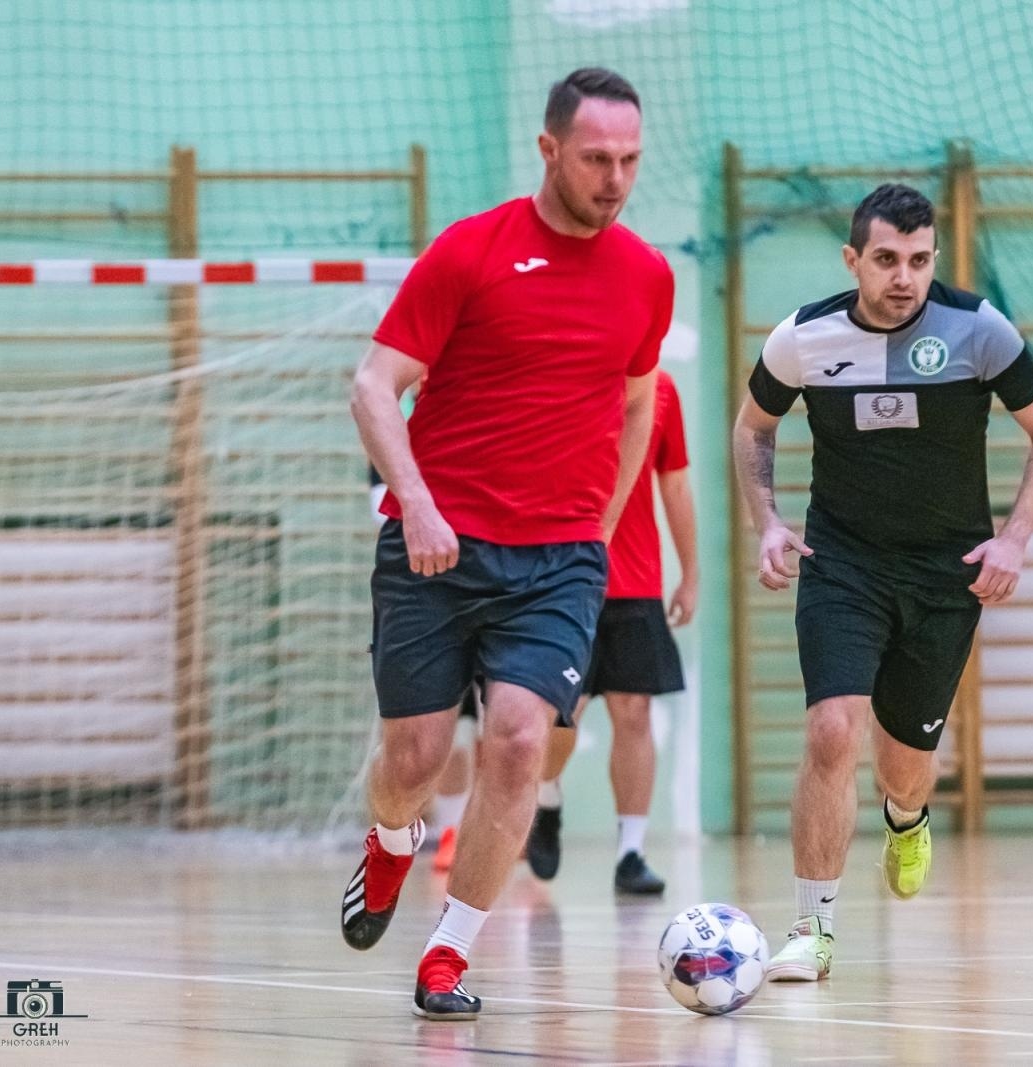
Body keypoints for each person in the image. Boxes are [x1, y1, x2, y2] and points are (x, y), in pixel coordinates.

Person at [343, 67, 672, 1021]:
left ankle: (447, 954)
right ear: (549, 150)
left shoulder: (645, 275)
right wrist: (416, 504)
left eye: (631, 160)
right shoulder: (470, 252)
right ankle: (391, 840)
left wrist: (601, 532)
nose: (615, 178)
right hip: (438, 548)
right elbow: (373, 386)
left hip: (559, 562)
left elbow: (640, 393)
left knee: (522, 743)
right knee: (414, 758)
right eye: (597, 158)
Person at [731, 183, 1033, 981]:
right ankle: (812, 930)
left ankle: (906, 815)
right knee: (830, 731)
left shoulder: (977, 329)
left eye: (919, 261)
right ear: (853, 259)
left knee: (902, 763)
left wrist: (1014, 541)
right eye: (886, 259)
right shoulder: (804, 338)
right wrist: (771, 524)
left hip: (943, 571)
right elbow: (755, 424)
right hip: (842, 562)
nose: (904, 277)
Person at [525, 368, 697, 896]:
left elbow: (674, 482)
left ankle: (631, 851)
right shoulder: (555, 379)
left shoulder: (660, 390)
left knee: (634, 711)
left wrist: (690, 574)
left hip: (635, 579)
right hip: (561, 576)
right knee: (559, 716)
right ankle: (547, 797)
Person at [370, 461, 476, 875]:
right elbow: (381, 503)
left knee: (505, 726)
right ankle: (445, 830)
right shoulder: (396, 421)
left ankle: (483, 830)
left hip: (508, 576)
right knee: (439, 736)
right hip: (428, 584)